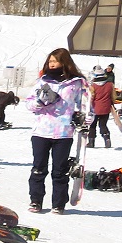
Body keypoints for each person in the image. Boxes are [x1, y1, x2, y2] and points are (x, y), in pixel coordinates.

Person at [24, 47, 87, 214]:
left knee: (60, 171)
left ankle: (58, 203)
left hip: (63, 132)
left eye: (54, 61)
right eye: (50, 61)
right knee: (38, 168)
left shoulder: (76, 83)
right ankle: (35, 200)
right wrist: (40, 102)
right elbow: (29, 103)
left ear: (64, 62)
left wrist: (83, 119)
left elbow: (85, 105)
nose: (51, 64)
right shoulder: (42, 81)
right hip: (41, 131)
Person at [88, 66, 114, 147]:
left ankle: (91, 142)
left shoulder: (93, 86)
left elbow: (90, 98)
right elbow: (113, 97)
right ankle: (107, 138)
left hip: (94, 109)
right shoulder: (110, 85)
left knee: (92, 126)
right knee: (103, 125)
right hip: (106, 108)